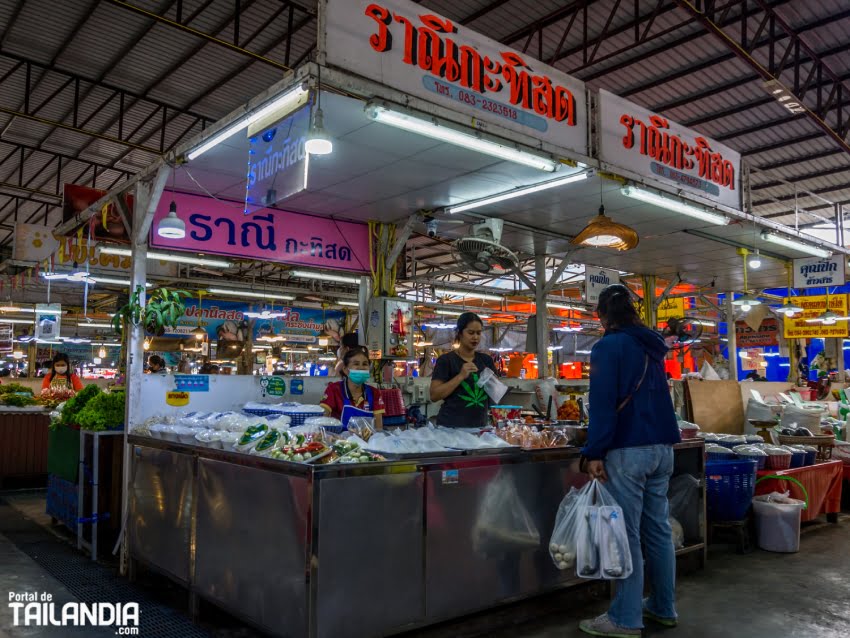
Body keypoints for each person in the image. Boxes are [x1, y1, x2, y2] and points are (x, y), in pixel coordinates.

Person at [579, 284, 681, 637]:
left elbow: (604, 404)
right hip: (663, 448)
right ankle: (663, 607)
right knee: (658, 530)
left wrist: (594, 451)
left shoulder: (608, 346)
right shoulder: (652, 344)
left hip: (629, 450)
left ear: (602, 315)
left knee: (627, 535)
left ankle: (624, 618)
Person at [429, 312, 497, 428]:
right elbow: (434, 395)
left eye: (478, 333)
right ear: (460, 333)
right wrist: (460, 376)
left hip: (479, 427)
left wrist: (494, 384)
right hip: (450, 428)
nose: (475, 337)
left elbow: (495, 393)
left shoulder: (486, 361)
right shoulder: (446, 361)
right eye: (470, 333)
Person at [321, 347, 384, 430]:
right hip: (339, 440)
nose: (361, 367)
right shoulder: (334, 389)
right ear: (345, 370)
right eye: (356, 364)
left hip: (367, 441)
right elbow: (323, 418)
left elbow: (378, 427)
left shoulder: (374, 393)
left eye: (365, 364)